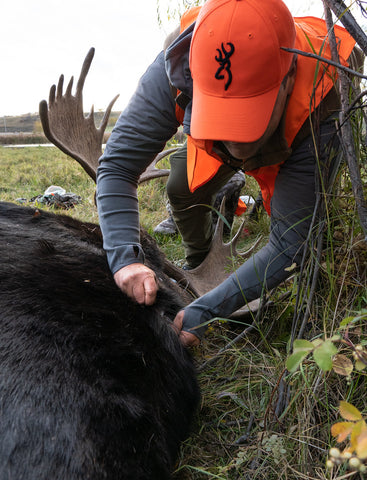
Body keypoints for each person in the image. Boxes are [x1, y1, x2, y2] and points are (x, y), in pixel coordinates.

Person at [96, 0, 359, 347]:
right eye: (222, 113)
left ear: (289, 78)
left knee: (311, 229)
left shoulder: (326, 89)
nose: (234, 139)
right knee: (181, 188)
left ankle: (318, 285)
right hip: (231, 124)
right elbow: (117, 166)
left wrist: (206, 310)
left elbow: (290, 241)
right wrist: (124, 259)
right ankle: (201, 259)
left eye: (247, 114)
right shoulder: (177, 64)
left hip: (303, 128)